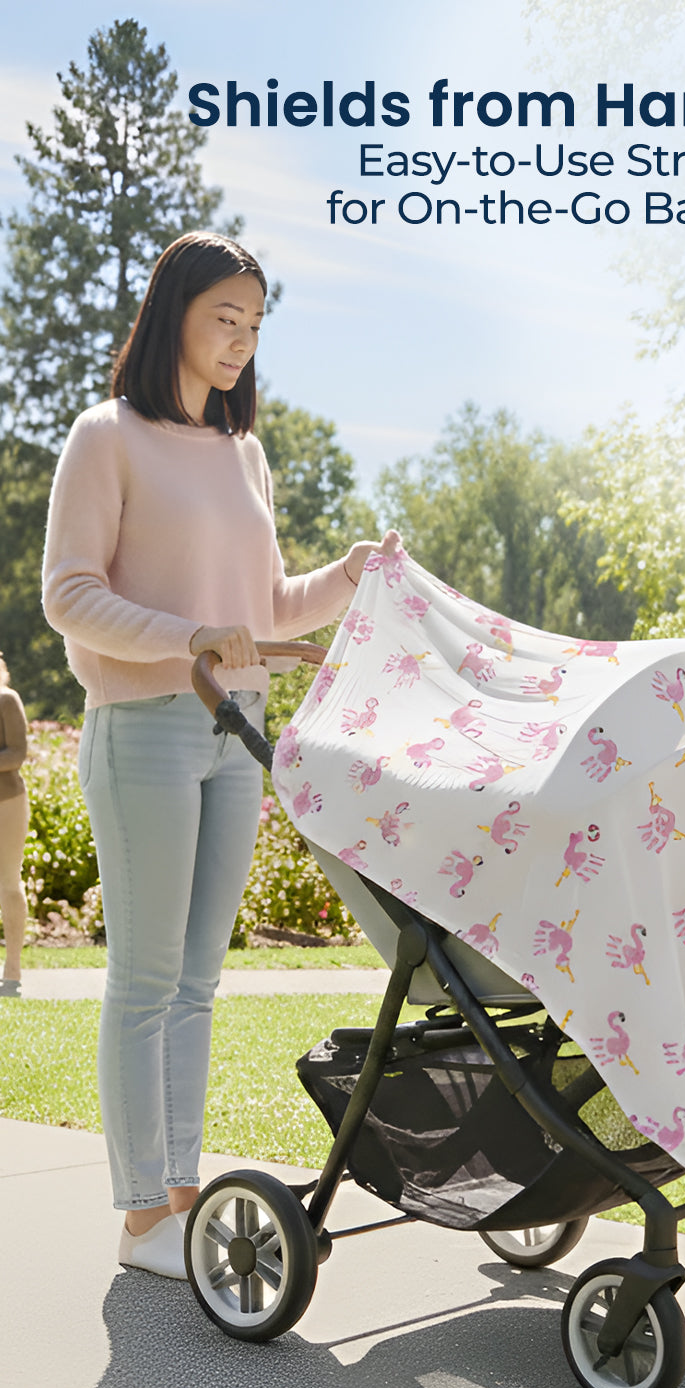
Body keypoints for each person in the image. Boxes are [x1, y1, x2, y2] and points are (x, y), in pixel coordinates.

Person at [42, 231, 401, 1279]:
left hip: (235, 735)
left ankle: (184, 1188)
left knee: (199, 982)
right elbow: (71, 595)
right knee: (145, 979)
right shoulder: (106, 436)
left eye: (254, 324)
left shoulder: (244, 452)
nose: (240, 341)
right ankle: (142, 1214)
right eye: (223, 319)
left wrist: (343, 576)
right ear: (175, 318)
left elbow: (260, 608)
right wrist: (186, 638)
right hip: (145, 730)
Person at [0, 652, 29, 998]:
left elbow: (17, 753)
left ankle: (13, 971)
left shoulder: (7, 699)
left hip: (6, 801)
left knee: (8, 882)